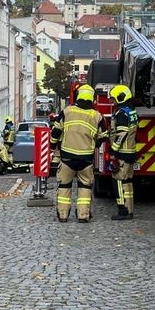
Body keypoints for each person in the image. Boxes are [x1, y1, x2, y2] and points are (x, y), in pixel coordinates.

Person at [55, 84, 102, 223]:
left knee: (64, 185)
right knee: (85, 187)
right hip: (86, 159)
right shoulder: (97, 116)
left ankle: (63, 215)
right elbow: (103, 136)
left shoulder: (67, 111)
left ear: (78, 95)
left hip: (67, 157)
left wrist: (53, 145)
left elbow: (56, 131)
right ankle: (83, 215)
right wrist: (94, 144)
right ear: (92, 98)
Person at [108, 84, 140, 220]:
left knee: (118, 181)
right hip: (131, 151)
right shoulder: (132, 111)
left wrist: (113, 150)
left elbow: (122, 133)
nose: (113, 102)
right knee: (127, 182)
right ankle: (129, 210)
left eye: (114, 99)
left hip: (122, 152)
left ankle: (123, 211)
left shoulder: (121, 113)